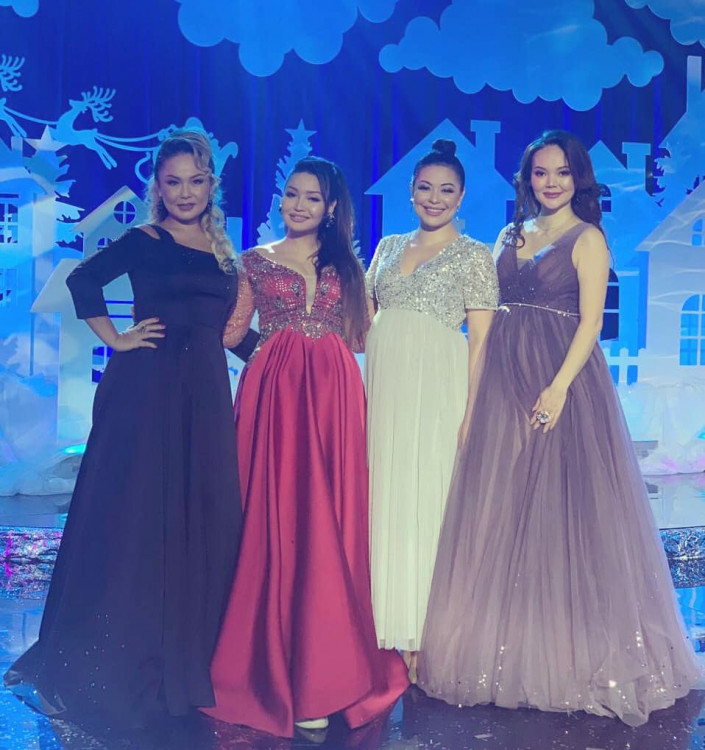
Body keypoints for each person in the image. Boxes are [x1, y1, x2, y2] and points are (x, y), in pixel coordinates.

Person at [417, 130, 702, 725]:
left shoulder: (587, 238)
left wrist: (558, 386)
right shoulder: (509, 235)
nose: (550, 182)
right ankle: (507, 649)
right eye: (541, 172)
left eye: (562, 173)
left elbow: (591, 322)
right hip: (503, 377)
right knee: (503, 510)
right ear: (527, 178)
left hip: (560, 380)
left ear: (579, 179)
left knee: (560, 515)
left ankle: (567, 653)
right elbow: (483, 314)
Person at [4, 130, 243, 728]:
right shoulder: (145, 240)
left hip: (205, 397)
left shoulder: (222, 251)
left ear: (211, 185)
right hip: (147, 391)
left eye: (196, 181)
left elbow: (226, 330)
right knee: (136, 516)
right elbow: (83, 282)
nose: (185, 192)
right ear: (157, 186)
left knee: (199, 513)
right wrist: (117, 338)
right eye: (173, 182)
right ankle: (123, 644)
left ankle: (192, 646)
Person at [202, 156, 409, 738]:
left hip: (335, 395)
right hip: (276, 394)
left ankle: (331, 671)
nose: (297, 205)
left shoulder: (348, 265)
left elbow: (365, 334)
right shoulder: (254, 260)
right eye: (291, 194)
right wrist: (271, 355)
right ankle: (280, 672)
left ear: (331, 208)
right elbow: (230, 332)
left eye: (311, 198)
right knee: (278, 518)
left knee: (331, 519)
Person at [365, 139, 498, 681]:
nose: (434, 198)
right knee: (385, 498)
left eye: (446, 190)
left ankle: (427, 636)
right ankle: (385, 630)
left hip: (438, 389)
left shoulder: (474, 255)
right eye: (425, 188)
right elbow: (367, 320)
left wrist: (471, 412)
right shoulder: (387, 246)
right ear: (411, 191)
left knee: (429, 501)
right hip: (384, 388)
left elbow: (481, 341)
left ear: (461, 196)